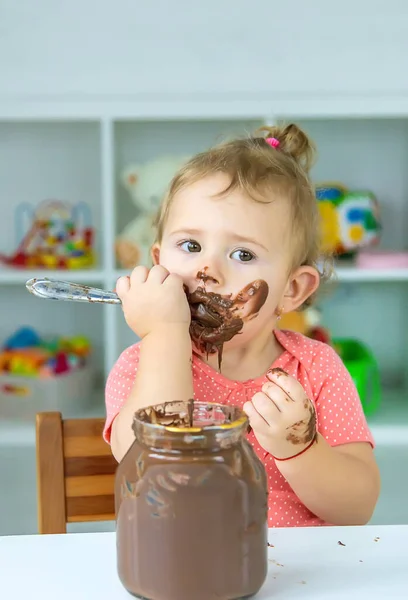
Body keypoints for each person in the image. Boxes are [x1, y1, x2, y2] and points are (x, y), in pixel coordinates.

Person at [104, 123, 380, 527]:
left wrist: (301, 450)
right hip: (185, 572)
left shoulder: (316, 370)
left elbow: (357, 509)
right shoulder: (142, 367)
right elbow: (151, 471)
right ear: (159, 261)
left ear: (292, 289)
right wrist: (165, 335)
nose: (207, 269)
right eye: (191, 246)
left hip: (302, 578)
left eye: (243, 255)